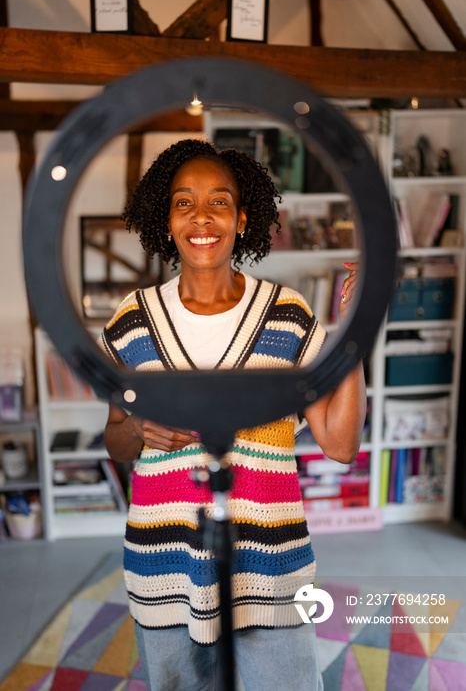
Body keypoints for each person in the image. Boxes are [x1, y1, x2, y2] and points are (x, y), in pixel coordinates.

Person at [100, 138, 366, 691]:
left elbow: (340, 445)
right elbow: (117, 443)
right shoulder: (132, 322)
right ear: (165, 218)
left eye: (219, 201)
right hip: (163, 561)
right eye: (183, 202)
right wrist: (135, 426)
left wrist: (357, 333)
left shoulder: (287, 315)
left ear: (243, 217)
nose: (201, 216)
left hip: (268, 566)